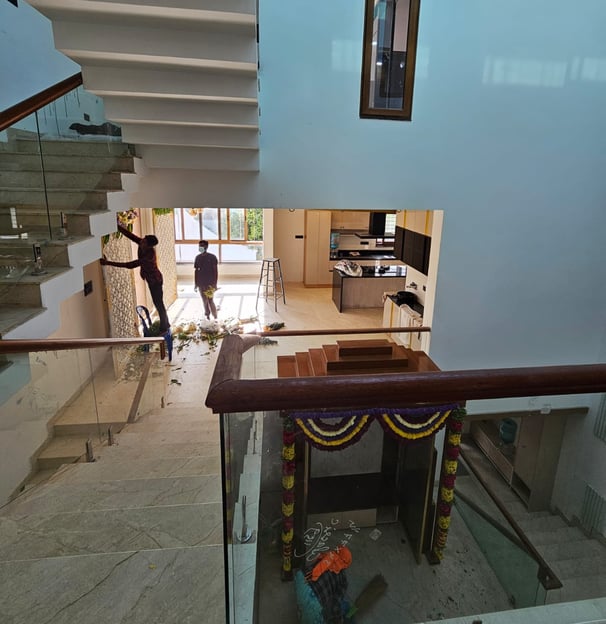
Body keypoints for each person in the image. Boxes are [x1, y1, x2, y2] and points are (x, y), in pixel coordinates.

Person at [100, 223, 170, 332]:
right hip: (151, 279)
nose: (142, 241)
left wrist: (108, 263)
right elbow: (130, 235)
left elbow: (130, 265)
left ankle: (164, 326)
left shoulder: (149, 255)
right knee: (158, 303)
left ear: (149, 246)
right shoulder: (142, 243)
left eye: (144, 242)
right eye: (143, 239)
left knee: (158, 303)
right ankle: (165, 324)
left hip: (155, 281)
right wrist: (117, 225)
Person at [194, 240, 218, 319]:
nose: (201, 247)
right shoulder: (197, 258)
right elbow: (196, 271)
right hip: (201, 283)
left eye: (202, 246)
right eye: (199, 246)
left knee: (210, 300)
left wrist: (215, 284)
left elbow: (215, 271)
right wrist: (196, 283)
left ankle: (215, 316)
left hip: (210, 283)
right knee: (204, 300)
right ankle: (207, 315)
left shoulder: (212, 257)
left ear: (207, 247)